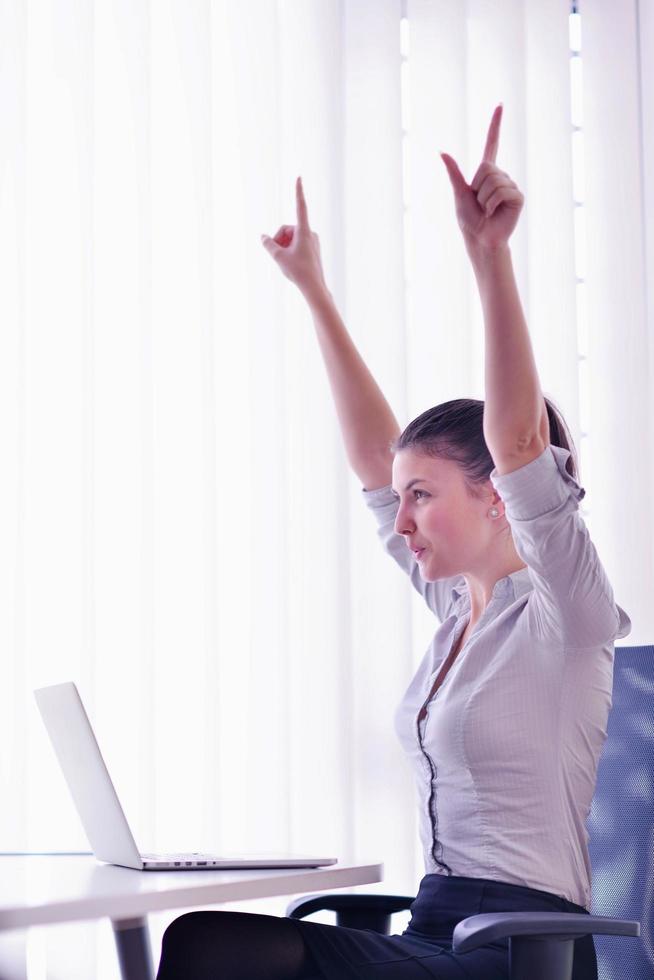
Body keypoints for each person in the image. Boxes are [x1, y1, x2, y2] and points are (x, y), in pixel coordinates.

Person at [156, 105, 631, 980]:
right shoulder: (455, 609)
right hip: (433, 925)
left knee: (221, 952)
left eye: (424, 497)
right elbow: (377, 460)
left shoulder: (567, 609)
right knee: (207, 939)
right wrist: (314, 293)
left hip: (515, 950)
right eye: (400, 501)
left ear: (497, 498)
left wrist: (490, 260)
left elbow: (521, 446)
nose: (400, 520)